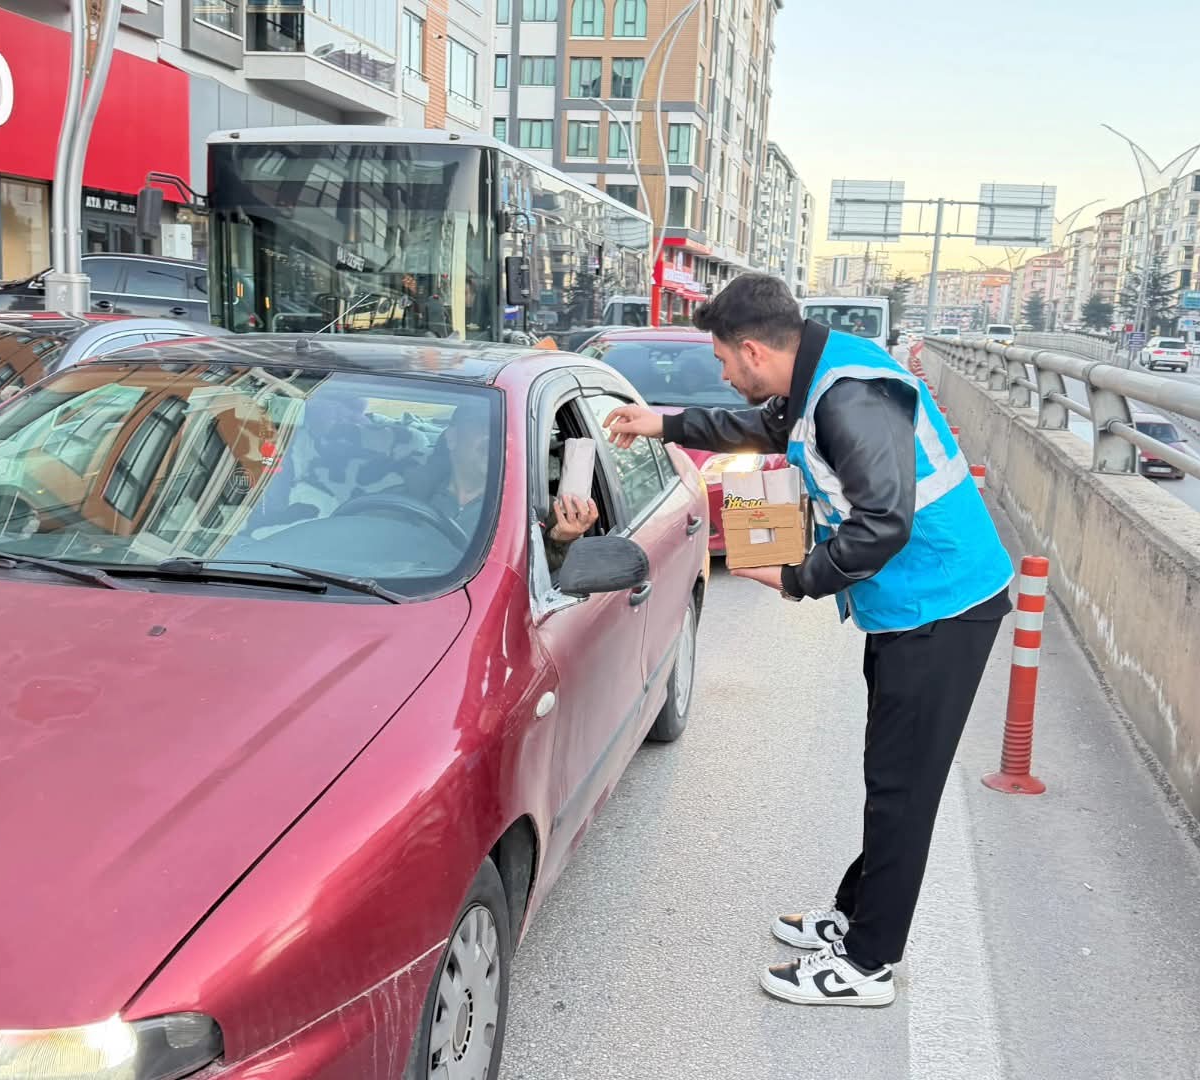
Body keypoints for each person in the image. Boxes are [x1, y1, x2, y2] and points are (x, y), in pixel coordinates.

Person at [604, 273, 1013, 1009]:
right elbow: (761, 429)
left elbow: (884, 521)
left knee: (902, 789)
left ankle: (868, 965)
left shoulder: (849, 398)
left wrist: (799, 579)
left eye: (724, 362)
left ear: (754, 349)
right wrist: (661, 425)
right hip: (909, 609)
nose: (725, 375)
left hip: (943, 608)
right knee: (889, 777)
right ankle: (858, 920)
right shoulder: (818, 376)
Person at [417, 399, 598, 570]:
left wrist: (560, 540)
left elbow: (536, 587)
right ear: (452, 438)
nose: (498, 438)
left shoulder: (541, 511)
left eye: (505, 430)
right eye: (483, 424)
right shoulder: (408, 497)